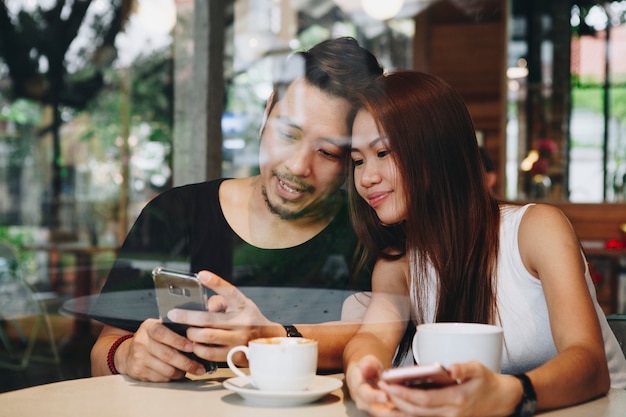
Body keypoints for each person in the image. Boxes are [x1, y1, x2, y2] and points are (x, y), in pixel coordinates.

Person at [89, 37, 383, 382]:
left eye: (328, 153)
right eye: (288, 134)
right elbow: (100, 355)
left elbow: (380, 341)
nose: (298, 165)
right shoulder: (174, 215)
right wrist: (125, 355)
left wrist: (266, 337)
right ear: (267, 112)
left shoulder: (369, 234)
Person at [343, 71, 626, 416]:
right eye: (358, 160)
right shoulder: (398, 265)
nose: (366, 177)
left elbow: (590, 364)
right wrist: (361, 371)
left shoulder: (535, 230)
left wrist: (507, 392)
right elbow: (372, 339)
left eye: (383, 153)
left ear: (436, 151)